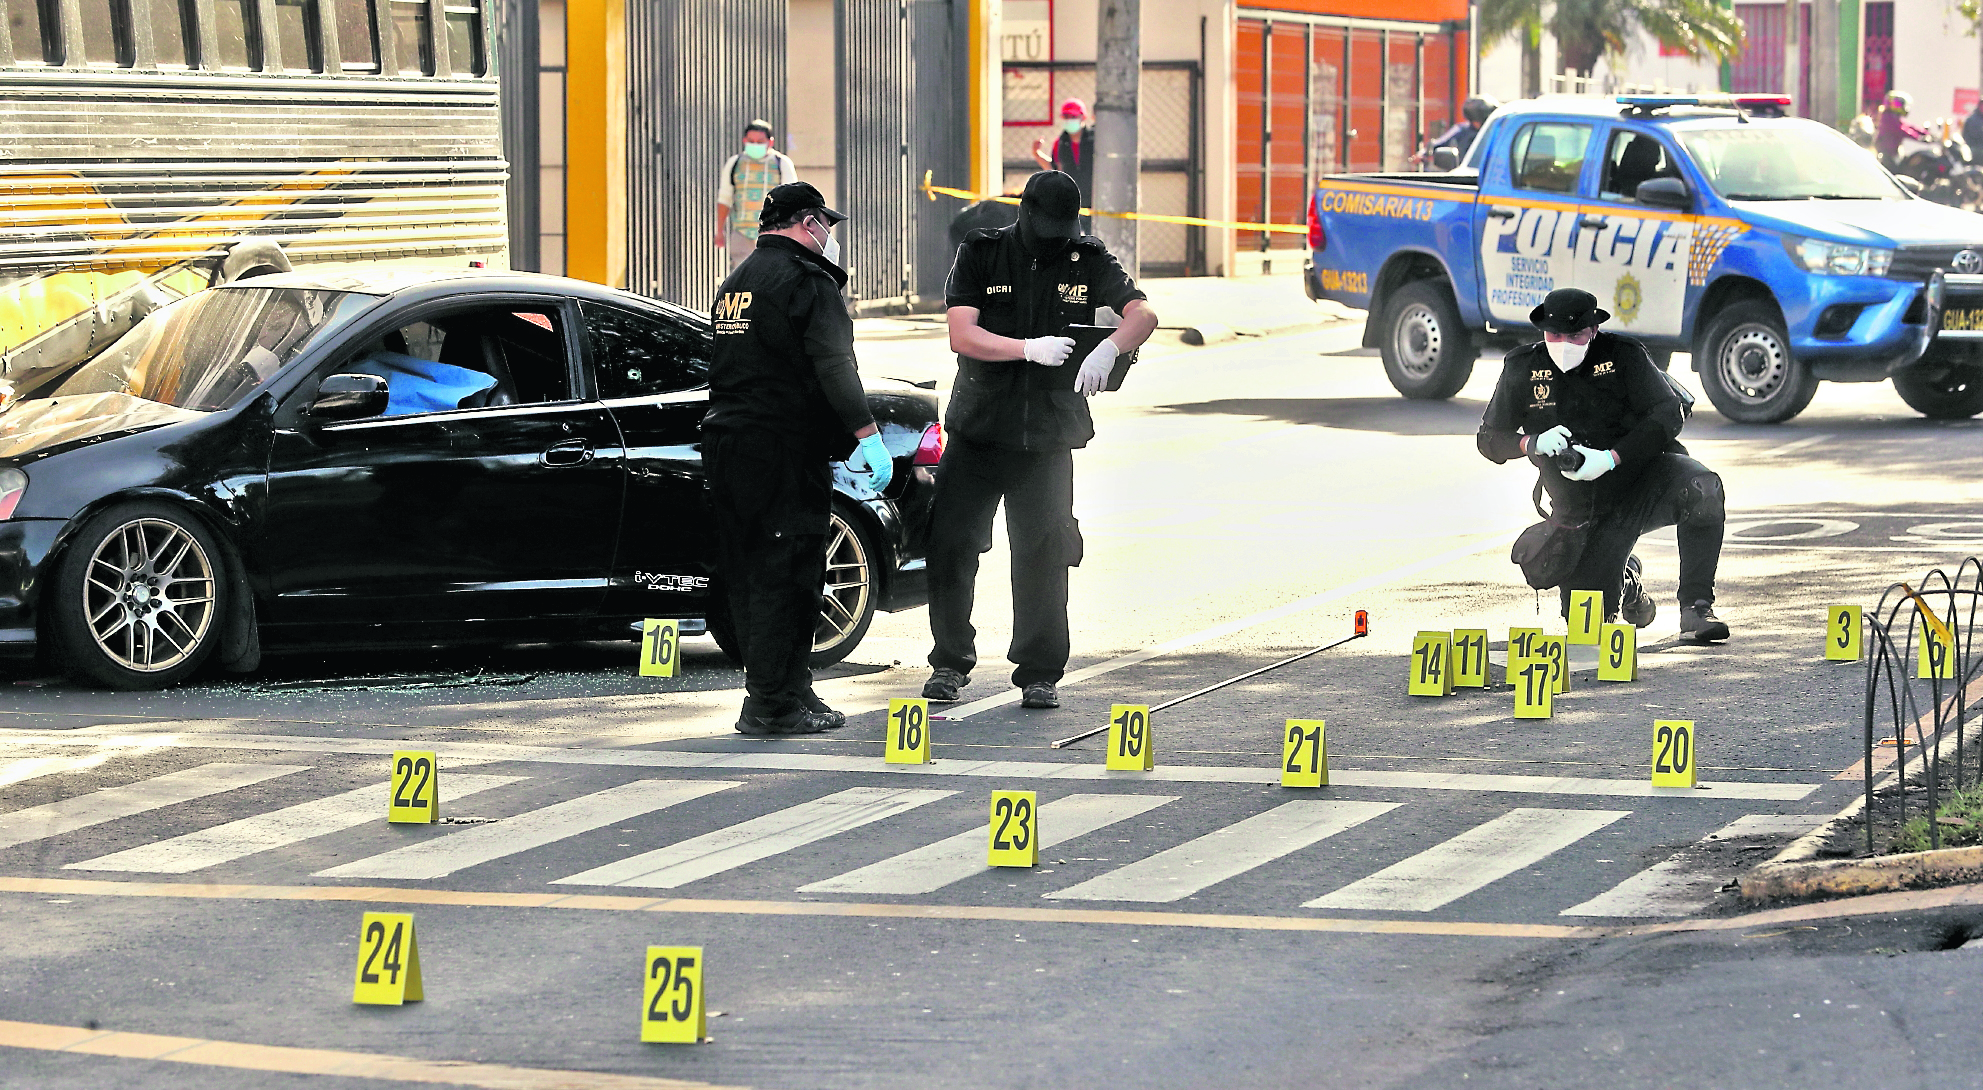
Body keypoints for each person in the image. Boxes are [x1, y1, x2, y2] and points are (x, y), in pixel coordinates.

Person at [921, 170, 1159, 708]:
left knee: (1043, 552)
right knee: (952, 545)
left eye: (1063, 225)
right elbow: (963, 334)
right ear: (1024, 210)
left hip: (1047, 436)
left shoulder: (1085, 257)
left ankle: (1039, 670)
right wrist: (1026, 349)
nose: (1053, 233)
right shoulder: (983, 251)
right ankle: (949, 663)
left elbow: (1144, 313)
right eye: (1045, 222)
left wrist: (1110, 349)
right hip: (981, 428)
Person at [704, 181, 891, 736]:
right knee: (786, 574)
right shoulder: (808, 283)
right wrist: (867, 434)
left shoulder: (735, 283)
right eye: (826, 226)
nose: (829, 238)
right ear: (807, 224)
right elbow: (835, 367)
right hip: (780, 448)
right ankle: (769, 703)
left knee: (761, 571)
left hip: (731, 446)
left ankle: (791, 687)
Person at [1477, 288, 1730, 642]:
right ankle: (1625, 581)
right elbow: (1489, 438)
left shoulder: (1623, 356)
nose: (1564, 343)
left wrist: (1611, 457)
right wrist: (1530, 443)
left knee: (1703, 487)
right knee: (1589, 633)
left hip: (1639, 483)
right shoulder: (1524, 367)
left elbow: (1668, 414)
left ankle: (1696, 607)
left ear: (1593, 330)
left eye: (1575, 335)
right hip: (1577, 510)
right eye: (1555, 335)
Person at [714, 119, 799, 272]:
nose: (755, 145)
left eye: (760, 141)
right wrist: (719, 231)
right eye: (751, 141)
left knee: (771, 276)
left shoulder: (782, 164)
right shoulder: (735, 163)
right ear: (744, 141)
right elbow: (725, 199)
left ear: (770, 142)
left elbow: (792, 200)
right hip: (742, 233)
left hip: (774, 234)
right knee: (743, 277)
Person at [1031, 99, 1094, 228]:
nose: (1069, 120)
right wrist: (1037, 154)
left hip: (1094, 203)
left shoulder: (1095, 140)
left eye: (1073, 116)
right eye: (1066, 116)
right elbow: (1054, 170)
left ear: (1083, 117)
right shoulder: (1059, 144)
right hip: (1070, 205)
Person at [1415, 95, 1498, 167]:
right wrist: (1423, 153)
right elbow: (1440, 142)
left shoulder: (1499, 131)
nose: (1476, 124)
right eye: (1473, 120)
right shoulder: (1462, 129)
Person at [1875, 91, 1930, 166]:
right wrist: (1919, 138)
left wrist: (1925, 133)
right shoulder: (1887, 118)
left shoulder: (1894, 117)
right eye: (1899, 104)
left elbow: (1909, 126)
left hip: (1893, 153)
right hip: (1886, 154)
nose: (1902, 107)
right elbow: (1902, 130)